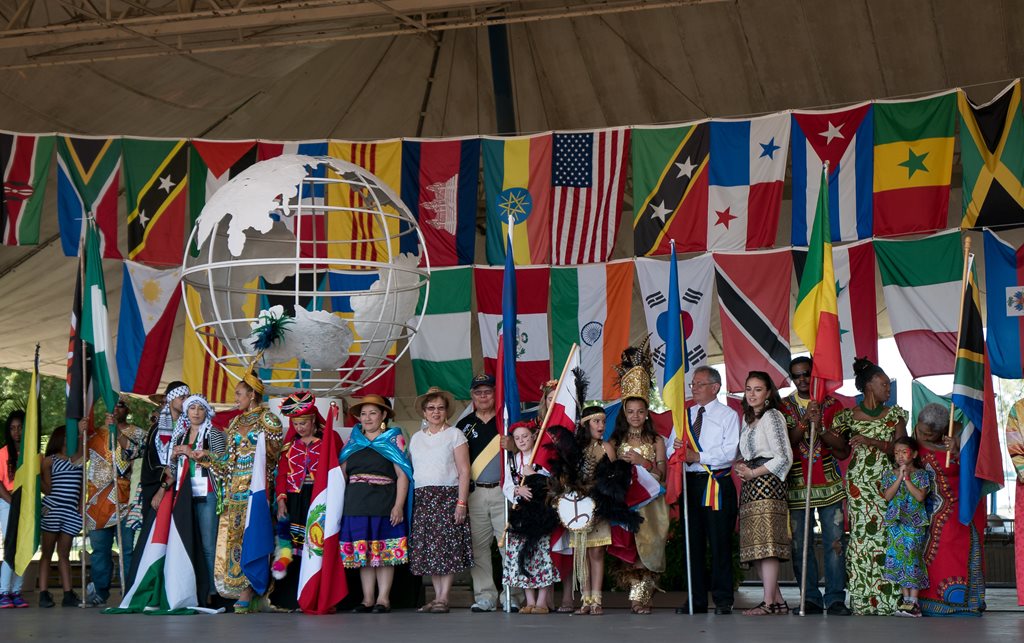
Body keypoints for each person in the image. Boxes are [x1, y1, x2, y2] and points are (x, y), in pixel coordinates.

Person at [832, 358, 908, 615]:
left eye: (888, 384)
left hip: (889, 481)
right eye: (883, 383)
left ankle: (890, 600)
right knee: (862, 538)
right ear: (868, 386)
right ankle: (863, 600)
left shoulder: (895, 414)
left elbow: (902, 452)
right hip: (859, 484)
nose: (888, 388)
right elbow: (841, 452)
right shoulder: (848, 416)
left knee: (888, 537)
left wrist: (872, 442)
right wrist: (821, 429)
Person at [778, 357, 851, 615]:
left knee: (835, 544)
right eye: (796, 376)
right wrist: (803, 421)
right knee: (800, 545)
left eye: (806, 374)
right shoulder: (783, 406)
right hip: (797, 485)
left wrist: (819, 426)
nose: (802, 380)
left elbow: (843, 449)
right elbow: (785, 444)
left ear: (815, 374)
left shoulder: (833, 404)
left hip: (830, 484)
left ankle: (835, 599)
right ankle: (809, 597)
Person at [210, 372, 283, 612]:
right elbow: (227, 462)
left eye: (239, 394)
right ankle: (241, 584)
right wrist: (205, 457)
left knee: (254, 536)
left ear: (252, 395)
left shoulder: (269, 420)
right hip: (235, 490)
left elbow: (274, 457)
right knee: (236, 540)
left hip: (258, 490)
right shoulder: (234, 423)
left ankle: (251, 587)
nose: (236, 398)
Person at [673, 365, 740, 615]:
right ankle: (695, 599)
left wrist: (696, 455)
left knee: (720, 542)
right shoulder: (684, 416)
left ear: (715, 387)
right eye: (692, 384)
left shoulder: (728, 416)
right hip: (690, 484)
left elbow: (730, 453)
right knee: (693, 543)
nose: (694, 388)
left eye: (699, 384)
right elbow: (671, 448)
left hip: (717, 483)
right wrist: (678, 450)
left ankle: (723, 600)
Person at [339, 394, 413, 613]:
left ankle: (383, 599)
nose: (367, 418)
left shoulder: (392, 440)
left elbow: (402, 475)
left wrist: (398, 505)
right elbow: (340, 475)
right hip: (356, 504)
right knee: (364, 554)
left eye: (373, 413)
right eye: (363, 413)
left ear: (383, 416)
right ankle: (368, 599)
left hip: (384, 502)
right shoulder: (352, 441)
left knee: (384, 553)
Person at [609, 341, 668, 615]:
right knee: (631, 548)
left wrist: (642, 462)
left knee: (649, 547)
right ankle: (636, 596)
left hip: (651, 504)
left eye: (640, 412)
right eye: (630, 411)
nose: (635, 416)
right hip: (625, 503)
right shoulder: (616, 439)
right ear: (624, 413)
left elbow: (661, 473)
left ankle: (644, 595)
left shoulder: (657, 440)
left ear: (647, 414)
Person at [913, 403, 986, 616]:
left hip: (960, 507)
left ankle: (963, 603)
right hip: (928, 509)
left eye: (929, 434)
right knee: (930, 552)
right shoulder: (915, 439)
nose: (923, 436)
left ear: (943, 430)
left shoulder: (961, 440)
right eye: (921, 430)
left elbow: (977, 471)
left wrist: (957, 451)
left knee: (957, 550)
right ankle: (927, 601)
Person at [455, 373, 520, 613]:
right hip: (475, 494)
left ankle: (512, 594)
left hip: (504, 492)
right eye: (478, 392)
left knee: (508, 546)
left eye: (488, 392)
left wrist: (512, 445)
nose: (483, 396)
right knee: (479, 547)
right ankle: (485, 596)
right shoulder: (464, 425)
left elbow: (526, 450)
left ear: (495, 394)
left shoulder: (508, 419)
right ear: (472, 395)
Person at [408, 387, 472, 614]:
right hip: (424, 498)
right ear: (424, 412)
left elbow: (464, 471)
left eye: (440, 408)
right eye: (431, 408)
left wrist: (461, 502)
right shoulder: (415, 438)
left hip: (447, 496)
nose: (436, 412)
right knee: (432, 550)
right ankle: (436, 597)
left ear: (446, 412)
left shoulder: (455, 434)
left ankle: (444, 598)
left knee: (446, 548)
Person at [734, 371, 793, 616]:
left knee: (767, 543)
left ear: (768, 393)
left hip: (767, 483)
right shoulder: (748, 421)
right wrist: (742, 467)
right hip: (751, 484)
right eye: (749, 389)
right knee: (757, 544)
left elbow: (783, 456)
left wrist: (753, 472)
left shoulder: (773, 416)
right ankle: (777, 601)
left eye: (758, 389)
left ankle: (768, 602)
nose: (752, 394)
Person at [84, 397, 148, 606]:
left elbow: (140, 454)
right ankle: (100, 593)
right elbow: (75, 457)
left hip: (126, 501)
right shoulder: (94, 434)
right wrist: (79, 431)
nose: (115, 408)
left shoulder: (138, 432)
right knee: (100, 551)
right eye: (112, 404)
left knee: (127, 550)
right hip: (96, 503)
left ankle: (129, 593)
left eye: (120, 404)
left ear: (127, 409)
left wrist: (116, 432)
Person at [166, 394, 226, 606]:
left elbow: (223, 461)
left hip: (208, 493)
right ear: (186, 412)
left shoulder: (215, 434)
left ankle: (212, 592)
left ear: (206, 411)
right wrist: (173, 458)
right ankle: (190, 588)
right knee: (187, 540)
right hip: (184, 495)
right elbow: (171, 469)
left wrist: (193, 454)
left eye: (200, 409)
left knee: (208, 545)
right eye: (192, 409)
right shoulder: (180, 435)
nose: (196, 413)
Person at [270, 391, 324, 611]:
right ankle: (290, 598)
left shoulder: (327, 442)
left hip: (317, 499)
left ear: (313, 421)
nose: (300, 427)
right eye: (296, 423)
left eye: (304, 422)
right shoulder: (289, 446)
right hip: (293, 499)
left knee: (315, 546)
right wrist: (281, 501)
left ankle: (314, 594)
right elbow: (281, 475)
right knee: (291, 547)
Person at [501, 421, 559, 614]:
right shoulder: (512, 460)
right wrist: (518, 489)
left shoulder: (543, 458)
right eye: (517, 438)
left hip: (541, 514)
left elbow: (553, 485)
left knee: (540, 555)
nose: (521, 440)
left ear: (533, 436)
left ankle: (542, 600)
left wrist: (533, 475)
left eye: (525, 436)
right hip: (521, 515)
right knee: (521, 555)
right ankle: (530, 600)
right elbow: (506, 486)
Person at [572, 404, 617, 615]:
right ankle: (585, 599)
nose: (601, 425)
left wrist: (603, 502)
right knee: (581, 553)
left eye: (603, 421)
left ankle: (597, 599)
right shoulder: (574, 449)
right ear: (585, 425)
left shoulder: (607, 448)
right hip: (578, 508)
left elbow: (615, 481)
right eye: (596, 421)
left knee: (597, 551)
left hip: (599, 507)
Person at [881, 436, 932, 617]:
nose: (900, 456)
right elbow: (887, 496)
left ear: (914, 454)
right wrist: (899, 477)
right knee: (900, 558)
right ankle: (905, 600)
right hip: (896, 523)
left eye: (904, 452)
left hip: (915, 523)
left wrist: (907, 479)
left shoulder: (921, 475)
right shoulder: (889, 475)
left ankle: (915, 602)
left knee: (913, 557)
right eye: (896, 453)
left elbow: (919, 497)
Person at [38, 424, 84, 608]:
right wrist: (37, 477)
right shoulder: (50, 460)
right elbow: (47, 489)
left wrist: (80, 505)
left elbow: (81, 486)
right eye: (67, 435)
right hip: (53, 509)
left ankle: (67, 593)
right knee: (47, 553)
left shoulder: (78, 459)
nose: (69, 438)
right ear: (59, 438)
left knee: (64, 554)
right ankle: (43, 593)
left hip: (70, 511)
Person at [135, 382, 190, 531]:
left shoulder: (190, 428)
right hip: (157, 484)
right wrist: (164, 475)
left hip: (183, 487)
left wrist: (167, 483)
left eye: (188, 397)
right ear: (171, 399)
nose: (186, 401)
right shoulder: (155, 429)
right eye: (182, 397)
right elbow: (150, 461)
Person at [0, 411, 28, 608]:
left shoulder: (31, 453)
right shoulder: (2, 453)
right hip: (8, 502)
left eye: (20, 427)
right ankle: (3, 591)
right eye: (13, 428)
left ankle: (17, 591)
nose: (17, 432)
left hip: (26, 502)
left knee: (24, 548)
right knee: (11, 547)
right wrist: (12, 502)